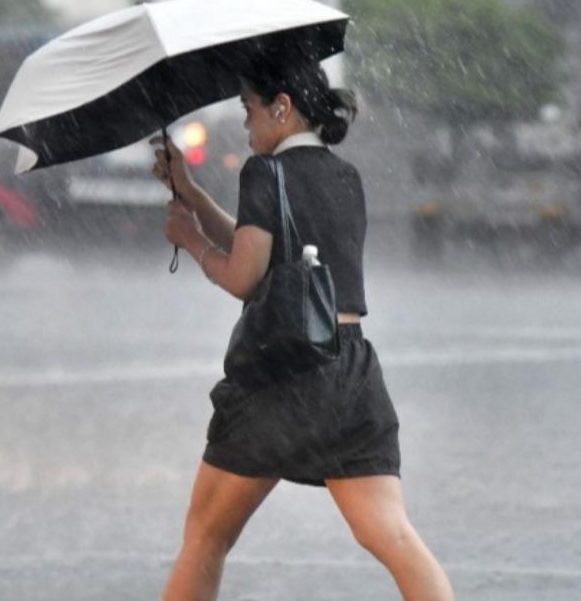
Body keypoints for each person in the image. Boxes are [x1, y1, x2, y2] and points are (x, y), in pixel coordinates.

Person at [151, 53, 455, 601]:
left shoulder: (264, 172)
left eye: (250, 110)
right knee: (392, 535)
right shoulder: (346, 176)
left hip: (282, 374)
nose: (246, 124)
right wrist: (193, 195)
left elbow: (246, 275)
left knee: (206, 536)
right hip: (351, 372)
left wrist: (191, 241)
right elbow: (267, 246)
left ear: (282, 108)